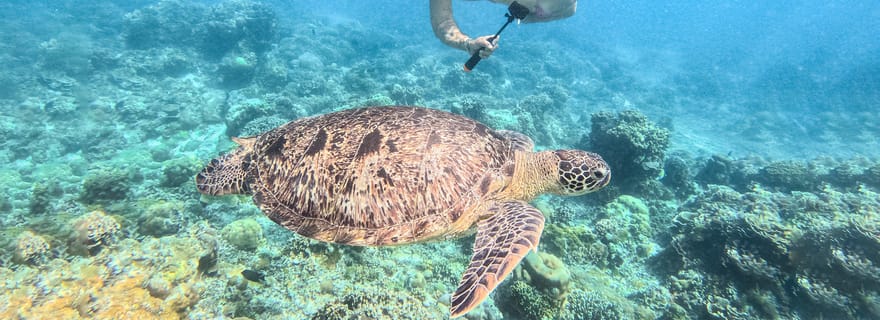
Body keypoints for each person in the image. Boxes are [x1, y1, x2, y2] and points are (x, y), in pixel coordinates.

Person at [430, 0, 576, 59]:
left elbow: (569, 10)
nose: (530, 10)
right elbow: (442, 23)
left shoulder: (567, 7)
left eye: (539, 12)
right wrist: (466, 43)